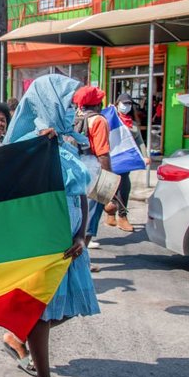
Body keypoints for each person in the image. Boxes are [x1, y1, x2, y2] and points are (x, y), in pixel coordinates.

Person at [3, 74, 100, 377]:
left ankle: (18, 337)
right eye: (68, 102)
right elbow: (18, 202)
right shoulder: (30, 144)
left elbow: (81, 193)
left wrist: (81, 235)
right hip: (42, 246)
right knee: (42, 313)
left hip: (71, 245)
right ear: (49, 103)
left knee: (72, 307)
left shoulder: (68, 140)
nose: (75, 109)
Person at [73, 85, 110, 253]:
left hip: (76, 167)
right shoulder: (99, 121)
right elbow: (103, 153)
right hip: (93, 169)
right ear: (97, 104)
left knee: (78, 213)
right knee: (91, 214)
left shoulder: (75, 116)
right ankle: (83, 258)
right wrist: (108, 178)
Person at [104, 93, 149, 232]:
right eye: (124, 103)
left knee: (124, 187)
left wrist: (145, 156)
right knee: (111, 187)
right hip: (111, 159)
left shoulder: (132, 125)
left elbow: (139, 142)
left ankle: (122, 216)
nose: (126, 106)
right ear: (117, 104)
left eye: (129, 104)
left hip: (125, 162)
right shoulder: (110, 119)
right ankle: (110, 211)